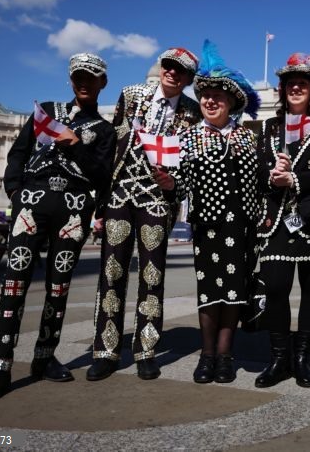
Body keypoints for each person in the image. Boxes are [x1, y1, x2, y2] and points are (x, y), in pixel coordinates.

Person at [0, 53, 116, 405]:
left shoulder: (105, 130)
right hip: (32, 203)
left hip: (74, 210)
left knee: (59, 285)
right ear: (70, 79)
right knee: (14, 281)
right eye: (78, 76)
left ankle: (45, 355)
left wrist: (76, 146)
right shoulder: (47, 111)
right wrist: (15, 191)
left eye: (90, 77)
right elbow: (18, 153)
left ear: (102, 83)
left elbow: (101, 175)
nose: (83, 82)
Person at [87, 47, 202, 382]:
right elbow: (113, 144)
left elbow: (189, 166)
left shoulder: (192, 112)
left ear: (188, 78)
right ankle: (105, 350)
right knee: (112, 270)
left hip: (156, 198)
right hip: (122, 192)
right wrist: (101, 198)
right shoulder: (132, 94)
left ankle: (146, 348)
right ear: (161, 68)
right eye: (168, 66)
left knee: (152, 274)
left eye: (180, 70)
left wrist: (173, 184)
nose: (172, 73)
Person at [254, 53, 310, 389]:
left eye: (302, 83)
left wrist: (294, 179)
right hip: (276, 219)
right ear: (282, 89)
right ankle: (279, 358)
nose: (295, 87)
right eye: (290, 83)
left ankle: (302, 357)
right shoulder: (268, 127)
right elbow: (257, 170)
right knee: (275, 286)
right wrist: (271, 175)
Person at [177, 40, 261, 384]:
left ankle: (226, 355)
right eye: (205, 96)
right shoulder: (188, 137)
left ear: (232, 103)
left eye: (218, 96)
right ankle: (207, 354)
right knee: (209, 291)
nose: (210, 101)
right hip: (208, 227)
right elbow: (181, 184)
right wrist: (168, 182)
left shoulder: (247, 138)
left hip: (243, 227)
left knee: (235, 291)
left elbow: (259, 183)